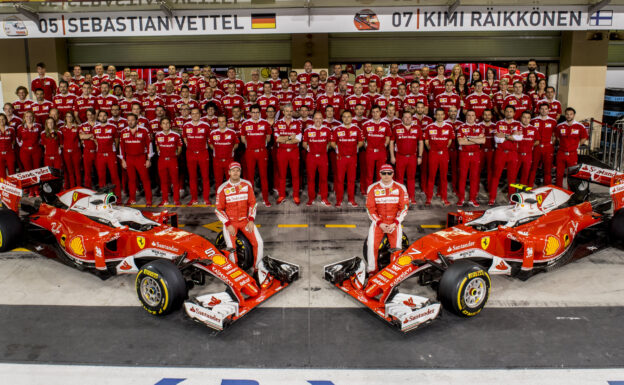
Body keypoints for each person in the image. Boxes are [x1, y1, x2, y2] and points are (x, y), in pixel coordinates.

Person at [215, 162, 270, 287]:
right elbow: (218, 209)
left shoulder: (247, 185)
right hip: (231, 222)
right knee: (231, 247)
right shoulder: (222, 188)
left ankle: (257, 269)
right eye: (233, 170)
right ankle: (235, 274)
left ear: (240, 172)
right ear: (228, 172)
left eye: (237, 170)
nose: (235, 173)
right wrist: (227, 224)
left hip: (245, 220)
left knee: (259, 242)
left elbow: (253, 203)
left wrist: (251, 219)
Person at [365, 164, 409, 274]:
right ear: (380, 174)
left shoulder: (401, 188)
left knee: (397, 248)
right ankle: (372, 271)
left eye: (389, 173)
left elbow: (404, 207)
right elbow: (370, 208)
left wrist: (395, 223)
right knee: (371, 246)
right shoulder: (372, 188)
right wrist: (379, 223)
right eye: (384, 173)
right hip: (378, 222)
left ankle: (393, 272)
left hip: (394, 223)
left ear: (393, 174)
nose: (386, 176)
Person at [488, 106, 523, 205]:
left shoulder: (517, 124)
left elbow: (519, 138)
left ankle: (512, 199)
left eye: (511, 111)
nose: (508, 113)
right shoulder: (499, 123)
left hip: (512, 153)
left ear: (514, 113)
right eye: (507, 111)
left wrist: (505, 135)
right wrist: (511, 135)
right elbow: (497, 139)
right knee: (496, 176)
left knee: (512, 177)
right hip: (500, 152)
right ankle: (492, 198)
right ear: (504, 112)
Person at [240, 104, 272, 207]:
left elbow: (268, 138)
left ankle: (265, 199)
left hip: (262, 151)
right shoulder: (245, 124)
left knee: (264, 176)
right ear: (250, 113)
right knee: (250, 176)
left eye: (257, 112)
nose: (255, 114)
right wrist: (251, 146)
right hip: (250, 152)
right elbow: (243, 138)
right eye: (253, 112)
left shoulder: (265, 123)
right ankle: (250, 200)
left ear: (260, 113)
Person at [331, 110, 364, 207]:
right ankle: (339, 200)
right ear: (342, 118)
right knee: (340, 180)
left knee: (351, 180)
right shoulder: (337, 129)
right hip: (341, 158)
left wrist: (355, 149)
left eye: (348, 116)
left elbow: (361, 141)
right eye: (344, 116)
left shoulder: (356, 129)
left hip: (352, 158)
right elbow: (332, 142)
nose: (346, 118)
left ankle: (351, 200)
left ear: (351, 118)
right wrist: (337, 150)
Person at [389, 110, 423, 204]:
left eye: (409, 117)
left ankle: (412, 197)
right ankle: (400, 197)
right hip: (400, 156)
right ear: (402, 118)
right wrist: (392, 156)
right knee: (399, 178)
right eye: (405, 117)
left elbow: (420, 142)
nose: (407, 119)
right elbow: (391, 142)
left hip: (412, 157)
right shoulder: (396, 128)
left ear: (412, 118)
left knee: (411, 178)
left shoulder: (417, 128)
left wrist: (420, 156)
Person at [119, 113, 152, 206]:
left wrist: (148, 159)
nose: (130, 122)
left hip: (141, 158)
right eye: (128, 120)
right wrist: (123, 160)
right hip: (129, 158)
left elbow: (149, 145)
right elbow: (121, 147)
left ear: (137, 121)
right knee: (131, 180)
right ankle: (132, 198)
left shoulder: (144, 130)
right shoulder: (123, 131)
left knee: (145, 179)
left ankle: (149, 200)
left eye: (132, 120)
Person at [424, 108, 454, 206]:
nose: (440, 116)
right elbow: (426, 141)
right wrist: (432, 149)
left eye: (442, 114)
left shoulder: (449, 127)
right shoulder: (429, 127)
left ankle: (444, 198)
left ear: (444, 116)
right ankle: (429, 198)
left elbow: (450, 141)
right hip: (433, 154)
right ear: (435, 116)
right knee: (431, 176)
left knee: (443, 177)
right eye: (438, 114)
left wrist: (443, 149)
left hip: (444, 154)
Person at [183, 107, 211, 206]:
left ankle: (206, 199)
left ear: (200, 115)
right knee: (192, 177)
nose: (195, 115)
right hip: (190, 153)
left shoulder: (206, 125)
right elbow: (185, 139)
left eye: (197, 113)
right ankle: (193, 199)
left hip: (203, 153)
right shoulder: (186, 125)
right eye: (193, 114)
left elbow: (209, 139)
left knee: (205, 177)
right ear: (190, 115)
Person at [273, 104, 302, 205]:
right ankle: (282, 195)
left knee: (295, 175)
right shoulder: (278, 123)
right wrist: (290, 138)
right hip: (282, 152)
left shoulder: (297, 123)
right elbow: (277, 138)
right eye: (287, 111)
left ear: (292, 112)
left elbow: (298, 139)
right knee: (282, 175)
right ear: (283, 112)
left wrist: (284, 138)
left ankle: (296, 196)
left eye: (290, 111)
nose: (289, 113)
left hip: (294, 151)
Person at [456, 110, 485, 207]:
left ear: (475, 117)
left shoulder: (479, 127)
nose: (470, 117)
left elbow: (483, 141)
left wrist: (468, 138)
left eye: (473, 115)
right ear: (466, 116)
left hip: (476, 154)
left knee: (474, 178)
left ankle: (472, 199)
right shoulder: (461, 127)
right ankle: (461, 199)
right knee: (462, 177)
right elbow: (461, 142)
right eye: (468, 115)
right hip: (464, 154)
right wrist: (476, 139)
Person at [302, 112, 331, 206]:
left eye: (320, 118)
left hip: (323, 157)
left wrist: (324, 150)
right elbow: (304, 143)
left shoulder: (327, 130)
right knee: (311, 179)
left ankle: (324, 198)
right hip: (311, 157)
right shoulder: (308, 130)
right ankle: (311, 199)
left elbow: (329, 143)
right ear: (313, 119)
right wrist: (310, 150)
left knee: (324, 179)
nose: (318, 120)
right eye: (316, 118)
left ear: (323, 119)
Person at [555, 108, 588, 187]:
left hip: (572, 154)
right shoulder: (560, 126)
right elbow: (557, 137)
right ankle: (558, 189)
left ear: (574, 115)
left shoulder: (580, 126)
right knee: (559, 173)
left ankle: (570, 191)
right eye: (567, 114)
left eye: (571, 114)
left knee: (571, 174)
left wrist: (577, 146)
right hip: (561, 153)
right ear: (565, 115)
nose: (569, 116)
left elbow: (584, 138)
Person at [93, 110, 122, 198]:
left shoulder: (113, 127)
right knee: (101, 177)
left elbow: (116, 140)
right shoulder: (95, 128)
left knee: (114, 176)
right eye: (100, 116)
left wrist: (113, 150)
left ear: (107, 117)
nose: (102, 117)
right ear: (98, 118)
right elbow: (95, 140)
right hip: (100, 155)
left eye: (104, 115)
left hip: (111, 155)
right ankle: (103, 198)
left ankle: (118, 198)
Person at [528, 103, 558, 187]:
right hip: (536, 147)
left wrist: (551, 144)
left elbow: (554, 135)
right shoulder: (533, 121)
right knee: (533, 167)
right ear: (539, 110)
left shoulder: (553, 121)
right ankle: (530, 186)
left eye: (545, 109)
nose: (544, 110)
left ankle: (547, 186)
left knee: (548, 169)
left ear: (548, 110)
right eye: (542, 109)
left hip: (548, 147)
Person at [155, 117, 183, 206]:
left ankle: (176, 200)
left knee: (175, 181)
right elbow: (157, 147)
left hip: (172, 160)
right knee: (163, 181)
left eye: (167, 123)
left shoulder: (176, 135)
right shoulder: (158, 135)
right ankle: (165, 200)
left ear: (170, 124)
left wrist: (175, 155)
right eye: (164, 123)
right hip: (162, 160)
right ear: (161, 125)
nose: (166, 125)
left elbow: (179, 147)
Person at [362, 105, 391, 188]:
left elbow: (388, 137)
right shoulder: (366, 124)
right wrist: (367, 147)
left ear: (381, 112)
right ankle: (369, 193)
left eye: (377, 112)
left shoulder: (386, 124)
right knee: (369, 174)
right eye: (373, 112)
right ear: (371, 113)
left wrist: (384, 146)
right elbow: (363, 138)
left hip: (381, 151)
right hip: (370, 152)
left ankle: (379, 192)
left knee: (381, 173)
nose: (375, 114)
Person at [210, 115, 239, 188]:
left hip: (229, 160)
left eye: (223, 121)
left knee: (231, 180)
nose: (221, 123)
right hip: (217, 160)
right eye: (219, 121)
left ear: (226, 122)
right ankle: (219, 198)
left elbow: (236, 143)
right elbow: (210, 144)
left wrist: (231, 150)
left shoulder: (232, 132)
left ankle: (230, 198)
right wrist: (217, 150)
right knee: (218, 181)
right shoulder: (213, 133)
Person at [60, 112, 82, 188]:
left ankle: (79, 186)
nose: (69, 118)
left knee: (77, 170)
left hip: (76, 152)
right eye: (67, 116)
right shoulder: (62, 128)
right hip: (66, 153)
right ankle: (72, 187)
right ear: (65, 118)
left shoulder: (77, 127)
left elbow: (81, 140)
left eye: (70, 116)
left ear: (73, 118)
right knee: (69, 171)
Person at [517, 111, 539, 186]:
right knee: (513, 174)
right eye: (524, 117)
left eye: (528, 118)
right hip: (517, 154)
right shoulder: (516, 128)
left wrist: (531, 145)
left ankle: (522, 191)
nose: (526, 120)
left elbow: (538, 141)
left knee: (525, 174)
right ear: (521, 118)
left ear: (530, 119)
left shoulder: (534, 129)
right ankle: (512, 191)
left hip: (528, 155)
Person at [0, 113, 16, 178]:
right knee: (1, 173)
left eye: (3, 119)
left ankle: (14, 187)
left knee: (12, 172)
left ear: (6, 120)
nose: (1, 121)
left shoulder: (11, 129)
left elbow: (14, 140)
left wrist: (10, 148)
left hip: (9, 153)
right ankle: (3, 187)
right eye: (0, 119)